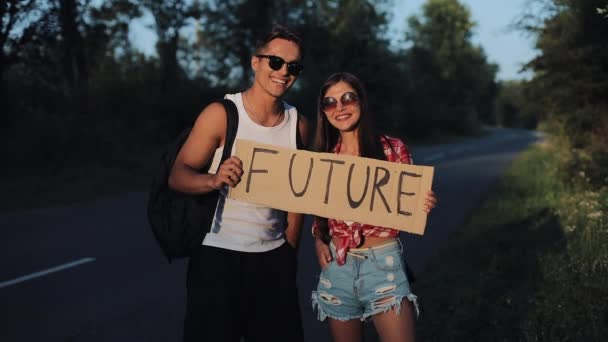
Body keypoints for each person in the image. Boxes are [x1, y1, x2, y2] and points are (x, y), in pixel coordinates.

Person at [168, 25, 308, 342]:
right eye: (275, 62)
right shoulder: (221, 114)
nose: (283, 72)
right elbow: (178, 174)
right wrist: (213, 179)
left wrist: (289, 251)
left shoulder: (299, 126)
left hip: (273, 261)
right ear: (255, 62)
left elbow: (302, 194)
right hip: (217, 260)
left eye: (293, 67)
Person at [310, 72, 437, 342]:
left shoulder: (392, 148)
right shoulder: (323, 158)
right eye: (330, 103)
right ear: (323, 112)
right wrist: (319, 240)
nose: (340, 107)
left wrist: (422, 202)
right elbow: (317, 211)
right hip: (337, 267)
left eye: (347, 98)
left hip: (383, 264)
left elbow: (410, 203)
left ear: (361, 102)